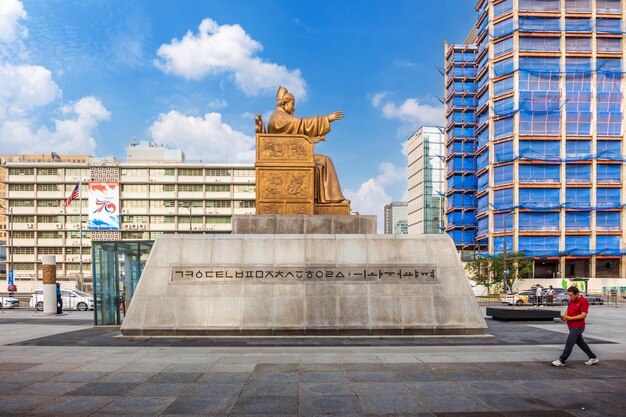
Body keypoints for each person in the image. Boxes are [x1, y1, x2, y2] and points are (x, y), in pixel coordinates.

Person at [267, 86, 349, 204]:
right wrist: (327, 119)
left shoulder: (279, 116)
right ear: (284, 104)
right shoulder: (279, 117)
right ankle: (333, 199)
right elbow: (302, 125)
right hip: (286, 157)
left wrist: (311, 139)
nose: (294, 107)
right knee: (325, 160)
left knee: (322, 160)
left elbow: (293, 136)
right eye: (292, 103)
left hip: (288, 154)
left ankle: (324, 199)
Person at [552, 286, 599, 367]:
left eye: (571, 295)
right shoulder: (572, 300)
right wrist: (565, 316)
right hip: (571, 325)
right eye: (569, 295)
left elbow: (583, 315)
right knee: (581, 343)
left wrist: (570, 318)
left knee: (569, 343)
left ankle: (562, 360)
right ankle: (593, 357)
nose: (570, 297)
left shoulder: (584, 301)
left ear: (577, 294)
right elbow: (568, 309)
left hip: (578, 326)